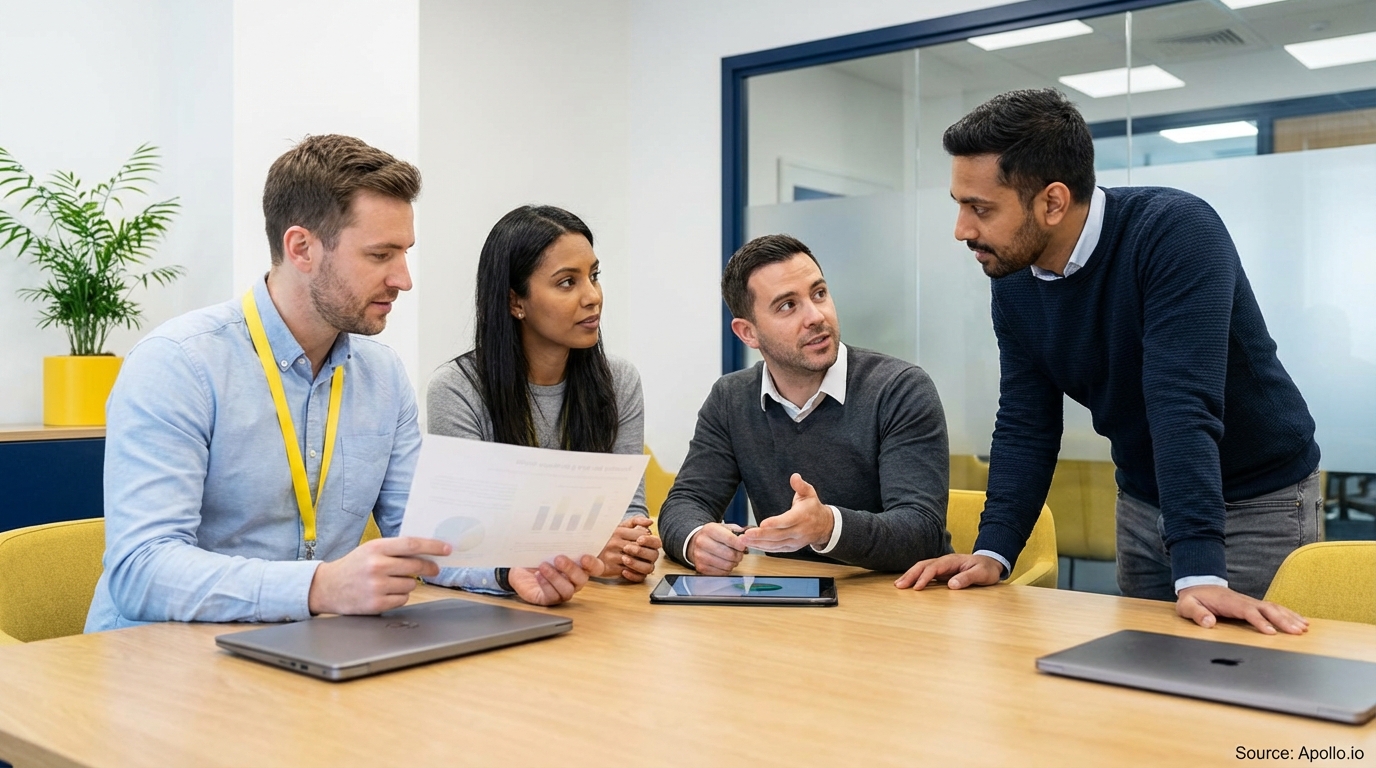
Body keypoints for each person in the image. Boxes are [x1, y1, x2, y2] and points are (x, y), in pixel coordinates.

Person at [86, 135, 599, 633]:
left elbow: (422, 536)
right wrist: (320, 586)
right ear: (302, 248)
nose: (403, 279)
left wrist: (507, 571)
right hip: (158, 659)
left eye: (405, 253)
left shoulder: (382, 375)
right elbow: (141, 569)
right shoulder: (178, 365)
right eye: (380, 255)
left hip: (309, 647)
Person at [899, 89, 1321, 636]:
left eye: (980, 208)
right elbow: (1027, 420)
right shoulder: (1015, 277)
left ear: (1052, 202)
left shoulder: (1175, 232)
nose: (962, 229)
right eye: (958, 204)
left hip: (1254, 499)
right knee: (1145, 686)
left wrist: (1198, 568)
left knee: (1249, 684)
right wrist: (993, 551)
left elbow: (1179, 404)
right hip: (1143, 499)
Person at [658, 234, 952, 575]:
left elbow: (922, 532)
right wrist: (696, 540)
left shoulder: (899, 389)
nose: (815, 316)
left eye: (819, 294)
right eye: (787, 305)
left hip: (899, 602)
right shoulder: (731, 398)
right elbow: (685, 502)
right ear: (747, 333)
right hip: (792, 601)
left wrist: (828, 526)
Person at [426, 205, 662, 588]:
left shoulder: (620, 381)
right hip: (494, 607)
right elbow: (460, 541)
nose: (593, 297)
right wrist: (582, 548)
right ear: (515, 302)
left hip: (598, 605)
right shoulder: (457, 389)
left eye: (594, 276)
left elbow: (628, 512)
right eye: (567, 282)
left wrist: (635, 548)